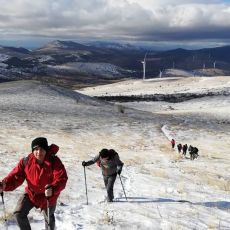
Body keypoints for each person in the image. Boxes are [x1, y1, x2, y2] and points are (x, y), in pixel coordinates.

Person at [0, 137, 68, 230]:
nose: (39, 152)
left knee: (49, 218)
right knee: (18, 213)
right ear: (32, 150)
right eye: (36, 149)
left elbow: (62, 178)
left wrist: (53, 188)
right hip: (32, 194)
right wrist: (4, 184)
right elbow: (16, 177)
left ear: (46, 150)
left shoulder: (54, 161)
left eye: (41, 149)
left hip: (48, 195)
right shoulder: (26, 161)